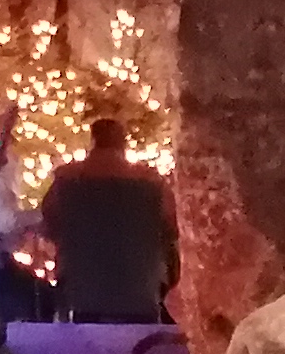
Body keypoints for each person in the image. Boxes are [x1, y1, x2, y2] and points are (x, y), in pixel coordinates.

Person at [37, 119, 181, 326]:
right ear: (123, 143)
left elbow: (50, 227)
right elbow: (172, 230)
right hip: (142, 293)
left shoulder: (65, 181)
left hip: (79, 295)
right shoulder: (152, 183)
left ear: (93, 141)